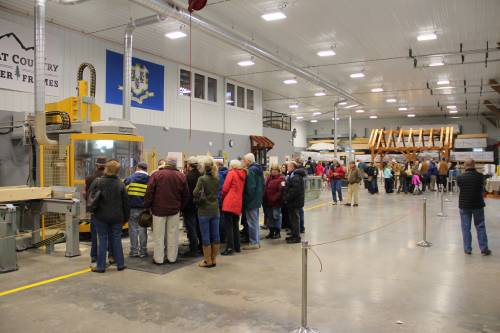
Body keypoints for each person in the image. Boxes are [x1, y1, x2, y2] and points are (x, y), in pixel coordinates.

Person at [144, 155, 189, 265]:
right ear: (175, 164)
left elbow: (149, 192)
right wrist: (180, 207)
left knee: (158, 236)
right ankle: (172, 258)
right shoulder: (181, 176)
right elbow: (186, 195)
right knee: (173, 235)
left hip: (158, 210)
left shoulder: (156, 174)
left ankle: (159, 259)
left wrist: (147, 206)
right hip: (174, 210)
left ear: (166, 163)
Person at [88, 160, 130, 273]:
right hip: (117, 217)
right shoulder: (121, 184)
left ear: (106, 169)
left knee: (102, 240)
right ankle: (120, 264)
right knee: (116, 239)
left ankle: (101, 266)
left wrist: (92, 212)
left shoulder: (98, 182)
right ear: (117, 171)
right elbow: (126, 203)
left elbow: (90, 197)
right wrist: (126, 218)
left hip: (100, 216)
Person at [457, 159, 491, 256]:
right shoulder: (481, 177)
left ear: (465, 166)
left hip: (464, 205)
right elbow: (482, 188)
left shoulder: (460, 177)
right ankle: (484, 249)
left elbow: (461, 188)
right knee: (480, 226)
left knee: (465, 228)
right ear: (474, 165)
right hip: (478, 205)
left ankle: (467, 249)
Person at [85, 156, 114, 265]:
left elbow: (88, 195)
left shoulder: (89, 178)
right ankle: (111, 255)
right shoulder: (112, 178)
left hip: (96, 211)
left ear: (96, 165)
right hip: (109, 211)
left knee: (95, 235)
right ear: (106, 165)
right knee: (110, 234)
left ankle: (94, 256)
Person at [193, 156, 221, 268]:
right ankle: (214, 259)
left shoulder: (202, 179)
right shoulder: (217, 178)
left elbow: (195, 193)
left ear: (204, 167)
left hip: (204, 211)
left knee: (205, 236)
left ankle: (207, 260)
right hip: (215, 210)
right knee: (216, 235)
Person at [221, 160, 247, 256]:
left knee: (228, 227)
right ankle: (237, 247)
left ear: (232, 166)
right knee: (235, 226)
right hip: (238, 202)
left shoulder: (231, 173)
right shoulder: (243, 174)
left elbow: (225, 188)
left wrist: (223, 198)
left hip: (229, 202)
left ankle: (229, 248)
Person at [124, 162, 149, 258]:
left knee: (133, 229)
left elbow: (124, 194)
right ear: (146, 169)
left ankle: (134, 251)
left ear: (137, 168)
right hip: (144, 209)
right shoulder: (149, 179)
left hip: (132, 208)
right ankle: (143, 251)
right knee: (143, 229)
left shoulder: (130, 179)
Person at [242, 153, 265, 250]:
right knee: (255, 221)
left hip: (251, 200)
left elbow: (250, 187)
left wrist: (245, 198)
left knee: (251, 222)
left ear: (248, 161)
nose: (243, 162)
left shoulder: (251, 171)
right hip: (257, 199)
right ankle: (256, 241)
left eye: (244, 160)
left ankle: (254, 242)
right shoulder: (259, 169)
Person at [181, 157, 202, 257]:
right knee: (198, 227)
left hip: (189, 206)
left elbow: (185, 192)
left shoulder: (188, 177)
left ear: (189, 165)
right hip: (199, 205)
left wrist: (182, 205)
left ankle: (193, 249)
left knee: (191, 228)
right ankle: (201, 247)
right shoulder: (201, 175)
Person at [283, 161, 306, 244]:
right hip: (293, 201)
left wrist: (287, 197)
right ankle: (294, 234)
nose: (287, 168)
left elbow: (294, 190)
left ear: (293, 167)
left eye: (288, 166)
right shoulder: (292, 175)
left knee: (295, 219)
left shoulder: (296, 176)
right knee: (293, 219)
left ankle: (296, 237)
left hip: (294, 201)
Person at [263, 164, 285, 239]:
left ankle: (277, 232)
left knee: (276, 217)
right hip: (268, 203)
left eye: (275, 171)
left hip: (276, 203)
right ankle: (271, 232)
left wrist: (274, 198)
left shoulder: (282, 179)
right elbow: (265, 188)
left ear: (278, 171)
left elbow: (281, 191)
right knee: (270, 218)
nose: (273, 172)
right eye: (272, 170)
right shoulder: (269, 178)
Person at [216, 160, 229, 243]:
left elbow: (219, 189)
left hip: (219, 199)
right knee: (224, 218)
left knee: (220, 219)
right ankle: (224, 236)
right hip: (225, 199)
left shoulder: (219, 175)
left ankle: (221, 236)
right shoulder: (227, 173)